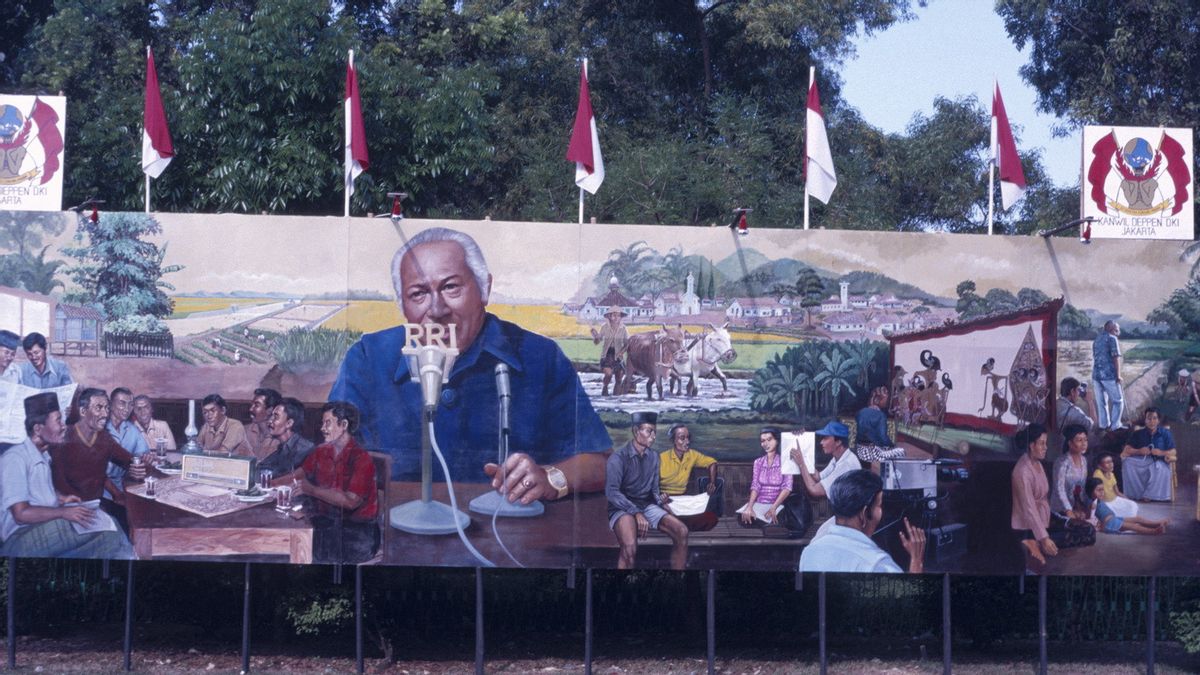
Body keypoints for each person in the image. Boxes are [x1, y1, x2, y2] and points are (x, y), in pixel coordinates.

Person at [329, 227, 611, 500]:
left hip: (512, 538)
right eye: (418, 294)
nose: (437, 310)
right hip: (397, 533)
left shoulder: (540, 357)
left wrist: (552, 477)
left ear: (484, 289)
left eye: (451, 287)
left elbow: (600, 463)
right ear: (402, 305)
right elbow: (331, 454)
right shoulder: (369, 357)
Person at [0, 392, 132, 558]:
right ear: (38, 429)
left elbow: (38, 493)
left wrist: (63, 499)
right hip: (20, 538)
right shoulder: (15, 458)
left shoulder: (44, 455)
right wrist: (63, 512)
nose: (63, 426)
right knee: (105, 525)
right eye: (57, 421)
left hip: (45, 524)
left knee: (110, 536)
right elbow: (20, 514)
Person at [282, 401, 379, 564]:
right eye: (322, 423)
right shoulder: (322, 451)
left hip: (357, 533)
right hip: (328, 524)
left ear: (344, 425)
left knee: (302, 549)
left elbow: (350, 502)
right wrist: (269, 484)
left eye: (328, 423)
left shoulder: (361, 458)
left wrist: (310, 490)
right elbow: (299, 474)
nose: (322, 428)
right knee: (293, 541)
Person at [606, 412, 689, 570]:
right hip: (621, 508)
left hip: (646, 506)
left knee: (682, 531)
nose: (653, 436)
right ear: (636, 431)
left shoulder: (654, 457)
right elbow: (612, 492)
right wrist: (635, 512)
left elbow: (654, 489)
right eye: (649, 431)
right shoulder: (618, 458)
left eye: (655, 432)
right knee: (630, 547)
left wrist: (661, 502)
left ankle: (679, 578)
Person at [798, 470, 925, 573]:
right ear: (864, 514)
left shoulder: (809, 552)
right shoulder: (878, 564)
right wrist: (916, 561)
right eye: (879, 506)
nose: (881, 512)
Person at [1011, 423, 1093, 573]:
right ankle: (1033, 542)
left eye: (1045, 443)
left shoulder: (1037, 464)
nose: (1045, 447)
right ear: (1031, 445)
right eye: (1042, 443)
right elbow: (1029, 509)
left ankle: (1038, 544)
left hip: (1046, 518)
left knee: (1087, 531)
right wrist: (1044, 538)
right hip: (1028, 526)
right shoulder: (1022, 472)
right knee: (1072, 534)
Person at [50, 388, 145, 504]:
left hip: (96, 504)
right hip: (69, 507)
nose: (105, 414)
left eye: (106, 408)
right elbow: (56, 485)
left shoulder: (104, 438)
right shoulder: (62, 439)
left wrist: (136, 467)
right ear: (83, 412)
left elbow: (127, 460)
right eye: (99, 408)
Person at [738, 427, 808, 534]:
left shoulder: (785, 462)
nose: (766, 443)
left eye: (769, 439)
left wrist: (774, 507)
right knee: (743, 517)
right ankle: (770, 525)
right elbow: (755, 485)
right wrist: (749, 506)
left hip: (779, 504)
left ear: (777, 441)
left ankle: (771, 525)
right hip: (760, 504)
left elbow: (787, 487)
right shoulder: (758, 462)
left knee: (780, 516)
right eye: (763, 441)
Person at [658, 423, 721, 531]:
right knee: (662, 514)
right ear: (673, 440)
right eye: (682, 438)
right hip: (664, 501)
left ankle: (676, 525)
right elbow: (649, 485)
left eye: (688, 438)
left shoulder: (692, 455)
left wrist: (712, 482)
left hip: (682, 502)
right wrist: (660, 498)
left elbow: (712, 463)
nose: (687, 442)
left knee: (711, 518)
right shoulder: (661, 458)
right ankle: (677, 524)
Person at [795, 421, 862, 501]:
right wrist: (803, 444)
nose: (821, 442)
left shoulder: (846, 464)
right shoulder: (838, 458)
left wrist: (801, 464)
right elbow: (819, 477)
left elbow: (815, 490)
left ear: (838, 442)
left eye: (825, 438)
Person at [1121, 407, 1173, 501]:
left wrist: (1161, 452)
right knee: (1127, 463)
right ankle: (1135, 495)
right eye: (1149, 418)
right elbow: (1126, 451)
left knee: (1158, 467)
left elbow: (1173, 451)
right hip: (1142, 461)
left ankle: (1149, 496)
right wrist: (1139, 451)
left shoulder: (1165, 433)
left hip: (1160, 461)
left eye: (1154, 418)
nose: (1151, 421)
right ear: (1145, 420)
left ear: (1158, 420)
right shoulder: (1138, 433)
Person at [105, 387, 152, 492]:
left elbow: (143, 455)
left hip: (124, 485)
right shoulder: (101, 428)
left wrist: (145, 460)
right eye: (122, 403)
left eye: (130, 404)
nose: (127, 409)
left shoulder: (132, 429)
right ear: (111, 405)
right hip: (102, 488)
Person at [1083, 478, 1167, 535]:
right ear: (1090, 491)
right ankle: (1153, 531)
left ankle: (1156, 523)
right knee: (1133, 526)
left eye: (1102, 489)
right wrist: (1100, 527)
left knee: (1137, 519)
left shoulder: (1097, 500)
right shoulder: (1092, 504)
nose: (1102, 492)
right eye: (1098, 490)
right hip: (1110, 524)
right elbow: (1091, 518)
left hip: (1114, 519)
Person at [258, 397, 316, 477]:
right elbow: (261, 468)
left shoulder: (304, 449)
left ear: (289, 423)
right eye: (271, 416)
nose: (270, 421)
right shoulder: (282, 448)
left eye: (276, 417)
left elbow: (283, 475)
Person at [855, 386, 906, 462]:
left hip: (859, 451)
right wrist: (892, 446)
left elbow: (865, 432)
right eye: (886, 399)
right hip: (873, 452)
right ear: (878, 400)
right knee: (901, 452)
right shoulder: (881, 416)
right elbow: (883, 437)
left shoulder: (860, 412)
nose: (887, 401)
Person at [1051, 424, 1090, 518]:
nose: (1084, 443)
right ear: (1070, 443)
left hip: (1077, 505)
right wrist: (1068, 510)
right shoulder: (1062, 462)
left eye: (1085, 439)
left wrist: (1082, 506)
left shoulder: (1084, 460)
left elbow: (1082, 488)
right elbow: (1059, 489)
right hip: (1061, 507)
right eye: (1079, 440)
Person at [1091, 321, 1123, 431]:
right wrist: (1118, 375)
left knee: (1101, 402)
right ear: (1111, 329)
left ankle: (1104, 425)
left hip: (1096, 376)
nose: (1118, 333)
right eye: (1117, 330)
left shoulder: (1097, 339)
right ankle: (1115, 426)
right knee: (1118, 401)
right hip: (1109, 375)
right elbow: (1116, 358)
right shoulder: (1112, 338)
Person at [590, 307, 629, 396]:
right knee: (608, 374)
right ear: (609, 316)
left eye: (618, 315)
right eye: (614, 315)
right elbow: (597, 342)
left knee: (619, 378)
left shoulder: (623, 328)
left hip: (618, 355)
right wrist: (596, 337)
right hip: (607, 355)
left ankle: (615, 399)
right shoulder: (605, 327)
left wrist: (621, 352)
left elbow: (627, 344)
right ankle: (605, 387)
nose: (616, 317)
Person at [1092, 453, 1138, 518]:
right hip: (1105, 502)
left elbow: (1117, 492)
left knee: (1133, 505)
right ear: (1100, 466)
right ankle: (1119, 518)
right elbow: (1095, 491)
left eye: (1111, 461)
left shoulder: (1112, 475)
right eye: (1107, 462)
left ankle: (1121, 518)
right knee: (1109, 512)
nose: (1111, 464)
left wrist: (1128, 500)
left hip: (1115, 500)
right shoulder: (1098, 473)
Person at [245, 387, 282, 459]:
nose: (251, 409)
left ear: (270, 410)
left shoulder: (280, 437)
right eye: (252, 404)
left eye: (256, 405)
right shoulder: (244, 431)